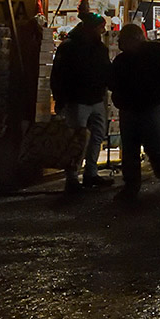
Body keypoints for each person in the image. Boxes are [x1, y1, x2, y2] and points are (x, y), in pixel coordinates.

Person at [49, 13, 113, 193]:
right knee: (76, 139)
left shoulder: (97, 47)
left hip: (94, 98)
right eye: (101, 27)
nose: (103, 30)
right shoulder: (70, 47)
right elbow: (59, 75)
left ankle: (90, 172)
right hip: (77, 99)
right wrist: (61, 98)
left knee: (96, 136)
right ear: (91, 28)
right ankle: (72, 177)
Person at [110, 23, 160, 200]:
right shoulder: (131, 59)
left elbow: (113, 81)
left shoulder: (149, 57)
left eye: (123, 39)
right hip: (139, 106)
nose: (120, 42)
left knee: (148, 147)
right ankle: (146, 181)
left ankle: (159, 177)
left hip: (147, 106)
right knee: (142, 147)